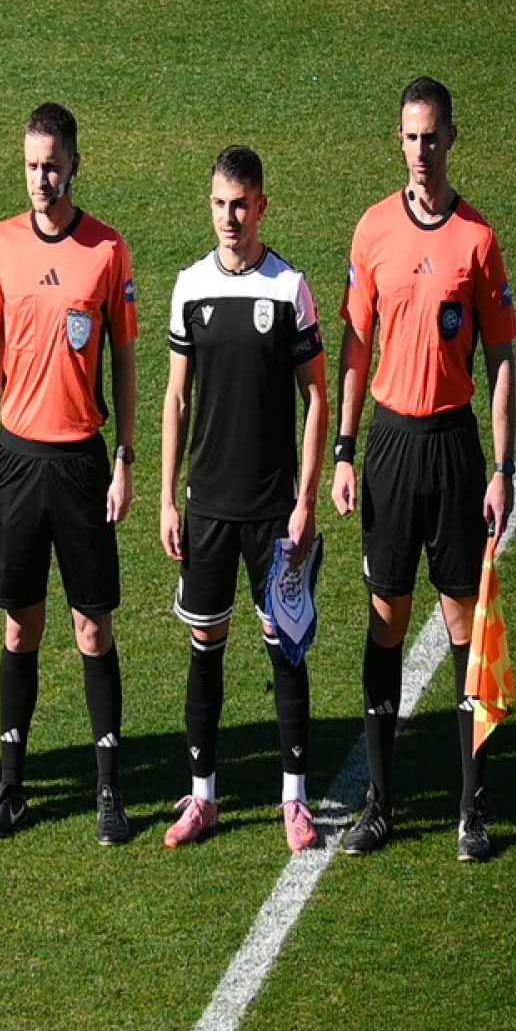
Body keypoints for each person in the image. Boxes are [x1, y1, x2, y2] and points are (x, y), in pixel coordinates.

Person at [331, 76, 516, 862]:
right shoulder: (374, 229)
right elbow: (354, 349)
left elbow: (502, 357)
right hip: (390, 446)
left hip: (452, 446)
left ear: (452, 138)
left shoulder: (477, 240)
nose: (420, 150)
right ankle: (380, 803)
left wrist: (504, 467)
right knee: (387, 618)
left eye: (432, 136)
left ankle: (472, 810)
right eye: (410, 137)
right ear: (399, 140)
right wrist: (345, 449)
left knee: (462, 625)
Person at [0, 102, 139, 845]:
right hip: (17, 459)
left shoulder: (107, 250)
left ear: (75, 166)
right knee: (20, 626)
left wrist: (126, 457)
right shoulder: (2, 243)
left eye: (53, 166)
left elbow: (126, 357)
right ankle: (11, 790)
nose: (42, 178)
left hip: (80, 463)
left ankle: (109, 791)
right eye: (32, 166)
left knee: (92, 629)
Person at [159, 146, 329, 851]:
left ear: (262, 206)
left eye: (241, 205)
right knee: (206, 646)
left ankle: (295, 799)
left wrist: (307, 499)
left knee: (285, 647)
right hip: (207, 506)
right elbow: (177, 396)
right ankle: (202, 797)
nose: (229, 218)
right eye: (220, 205)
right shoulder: (190, 287)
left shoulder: (289, 289)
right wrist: (167, 499)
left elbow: (317, 398)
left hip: (272, 510)